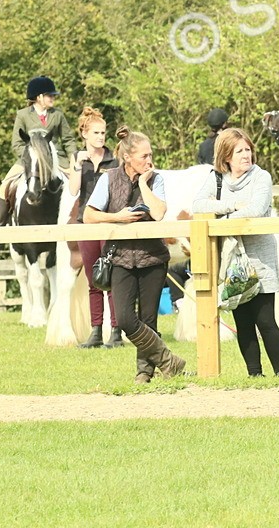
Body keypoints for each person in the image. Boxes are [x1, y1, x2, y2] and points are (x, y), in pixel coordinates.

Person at [83, 126, 186, 383]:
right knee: (127, 320)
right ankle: (168, 361)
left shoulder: (156, 179)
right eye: (144, 156)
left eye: (151, 155)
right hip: (119, 258)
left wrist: (142, 182)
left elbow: (159, 212)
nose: (149, 161)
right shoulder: (108, 178)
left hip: (152, 258)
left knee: (149, 320)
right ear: (127, 156)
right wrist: (117, 217)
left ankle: (144, 373)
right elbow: (89, 215)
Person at [192, 128, 279, 377]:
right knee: (243, 322)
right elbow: (198, 205)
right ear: (226, 156)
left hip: (260, 257)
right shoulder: (217, 178)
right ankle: (255, 374)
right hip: (232, 259)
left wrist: (223, 221)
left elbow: (256, 208)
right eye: (239, 151)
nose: (246, 155)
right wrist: (231, 205)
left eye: (248, 150)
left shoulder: (261, 177)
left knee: (265, 321)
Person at [67, 107, 121, 349]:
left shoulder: (114, 160)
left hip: (108, 223)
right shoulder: (78, 159)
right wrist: (78, 164)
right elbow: (72, 190)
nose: (101, 137)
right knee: (93, 280)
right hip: (85, 223)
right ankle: (96, 331)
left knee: (111, 277)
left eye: (103, 132)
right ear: (84, 134)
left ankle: (116, 332)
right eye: (96, 133)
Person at [0, 76, 77, 227]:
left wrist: (74, 160)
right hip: (29, 161)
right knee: (5, 186)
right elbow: (17, 143)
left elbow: (68, 140)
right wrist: (30, 158)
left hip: (56, 160)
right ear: (38, 97)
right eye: (49, 95)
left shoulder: (57, 115)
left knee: (77, 184)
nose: (53, 98)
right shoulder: (23, 115)